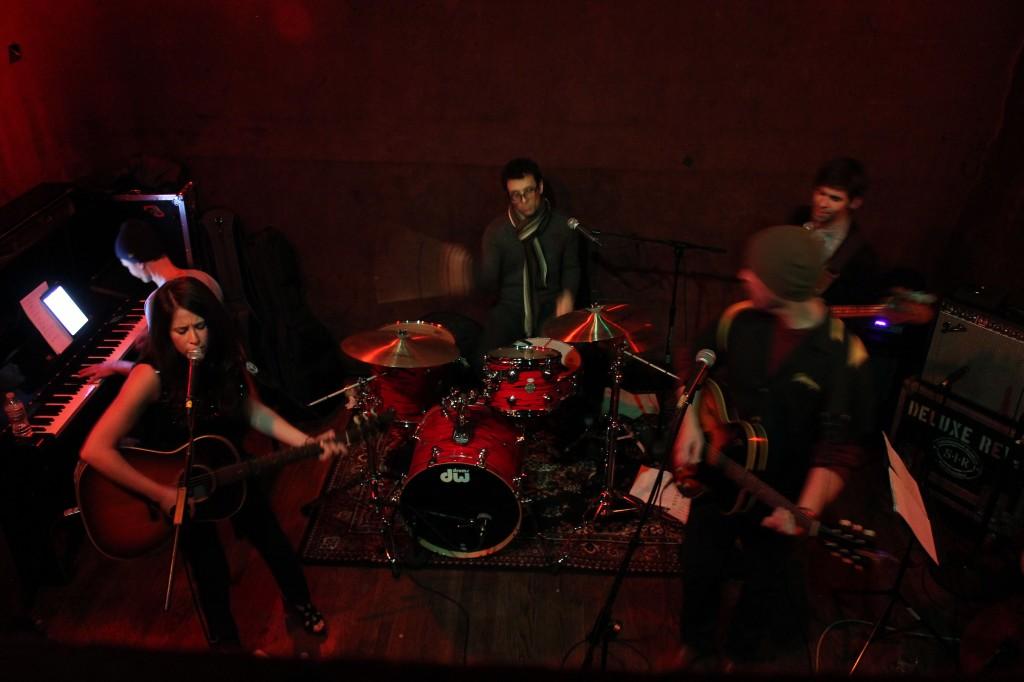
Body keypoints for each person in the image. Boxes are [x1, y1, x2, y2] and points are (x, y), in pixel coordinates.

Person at [80, 277, 342, 650]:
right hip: (180, 485)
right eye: (181, 330)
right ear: (164, 333)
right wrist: (161, 494)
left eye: (200, 326)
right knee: (208, 570)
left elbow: (253, 411)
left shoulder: (224, 354)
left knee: (273, 541)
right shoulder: (149, 376)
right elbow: (94, 449)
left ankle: (301, 603)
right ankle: (226, 644)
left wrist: (308, 442)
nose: (194, 340)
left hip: (229, 464)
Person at [671, 225, 875, 671]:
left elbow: (839, 450)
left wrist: (806, 508)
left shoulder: (844, 357)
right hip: (721, 472)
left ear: (783, 287)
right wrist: (690, 420)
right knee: (699, 564)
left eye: (756, 273)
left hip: (782, 491)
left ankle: (741, 654)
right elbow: (695, 357)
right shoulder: (741, 317)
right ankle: (695, 644)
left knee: (765, 581)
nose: (744, 276)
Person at [78, 219, 224, 380]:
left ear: (139, 263)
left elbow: (162, 372)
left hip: (198, 380)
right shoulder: (203, 277)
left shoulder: (156, 301)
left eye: (127, 266)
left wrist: (115, 365)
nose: (130, 272)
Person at [476, 158, 581, 365]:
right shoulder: (497, 232)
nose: (524, 200)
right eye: (516, 195)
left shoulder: (562, 226)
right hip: (511, 307)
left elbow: (572, 267)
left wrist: (568, 294)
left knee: (559, 360)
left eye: (529, 191)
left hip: (549, 306)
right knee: (482, 360)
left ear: (540, 187)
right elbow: (488, 283)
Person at [790, 157, 880, 306]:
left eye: (835, 198)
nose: (822, 203)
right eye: (821, 193)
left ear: (854, 203)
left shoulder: (860, 256)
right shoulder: (797, 218)